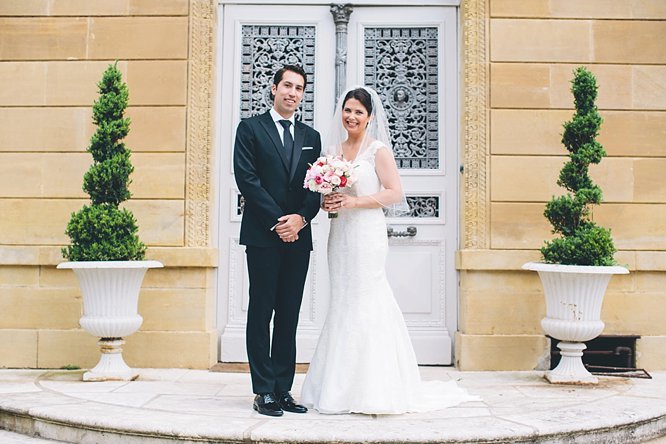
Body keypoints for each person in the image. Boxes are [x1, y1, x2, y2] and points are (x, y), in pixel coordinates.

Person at [300, 86, 478, 414]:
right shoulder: (333, 151)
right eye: (348, 110)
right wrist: (328, 201)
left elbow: (395, 193)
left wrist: (355, 201)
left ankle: (374, 388)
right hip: (340, 236)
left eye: (358, 112)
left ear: (369, 117)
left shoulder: (377, 150)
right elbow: (327, 194)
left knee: (368, 299)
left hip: (367, 235)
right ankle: (335, 385)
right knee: (342, 300)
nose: (351, 116)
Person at [233, 65, 322, 417]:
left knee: (288, 313)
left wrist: (301, 218)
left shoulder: (310, 136)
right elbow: (247, 179)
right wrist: (279, 221)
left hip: (299, 236)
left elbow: (318, 184)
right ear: (273, 89)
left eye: (299, 88)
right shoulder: (250, 129)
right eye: (287, 85)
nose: (293, 93)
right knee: (262, 310)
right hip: (264, 235)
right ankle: (263, 390)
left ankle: (283, 388)